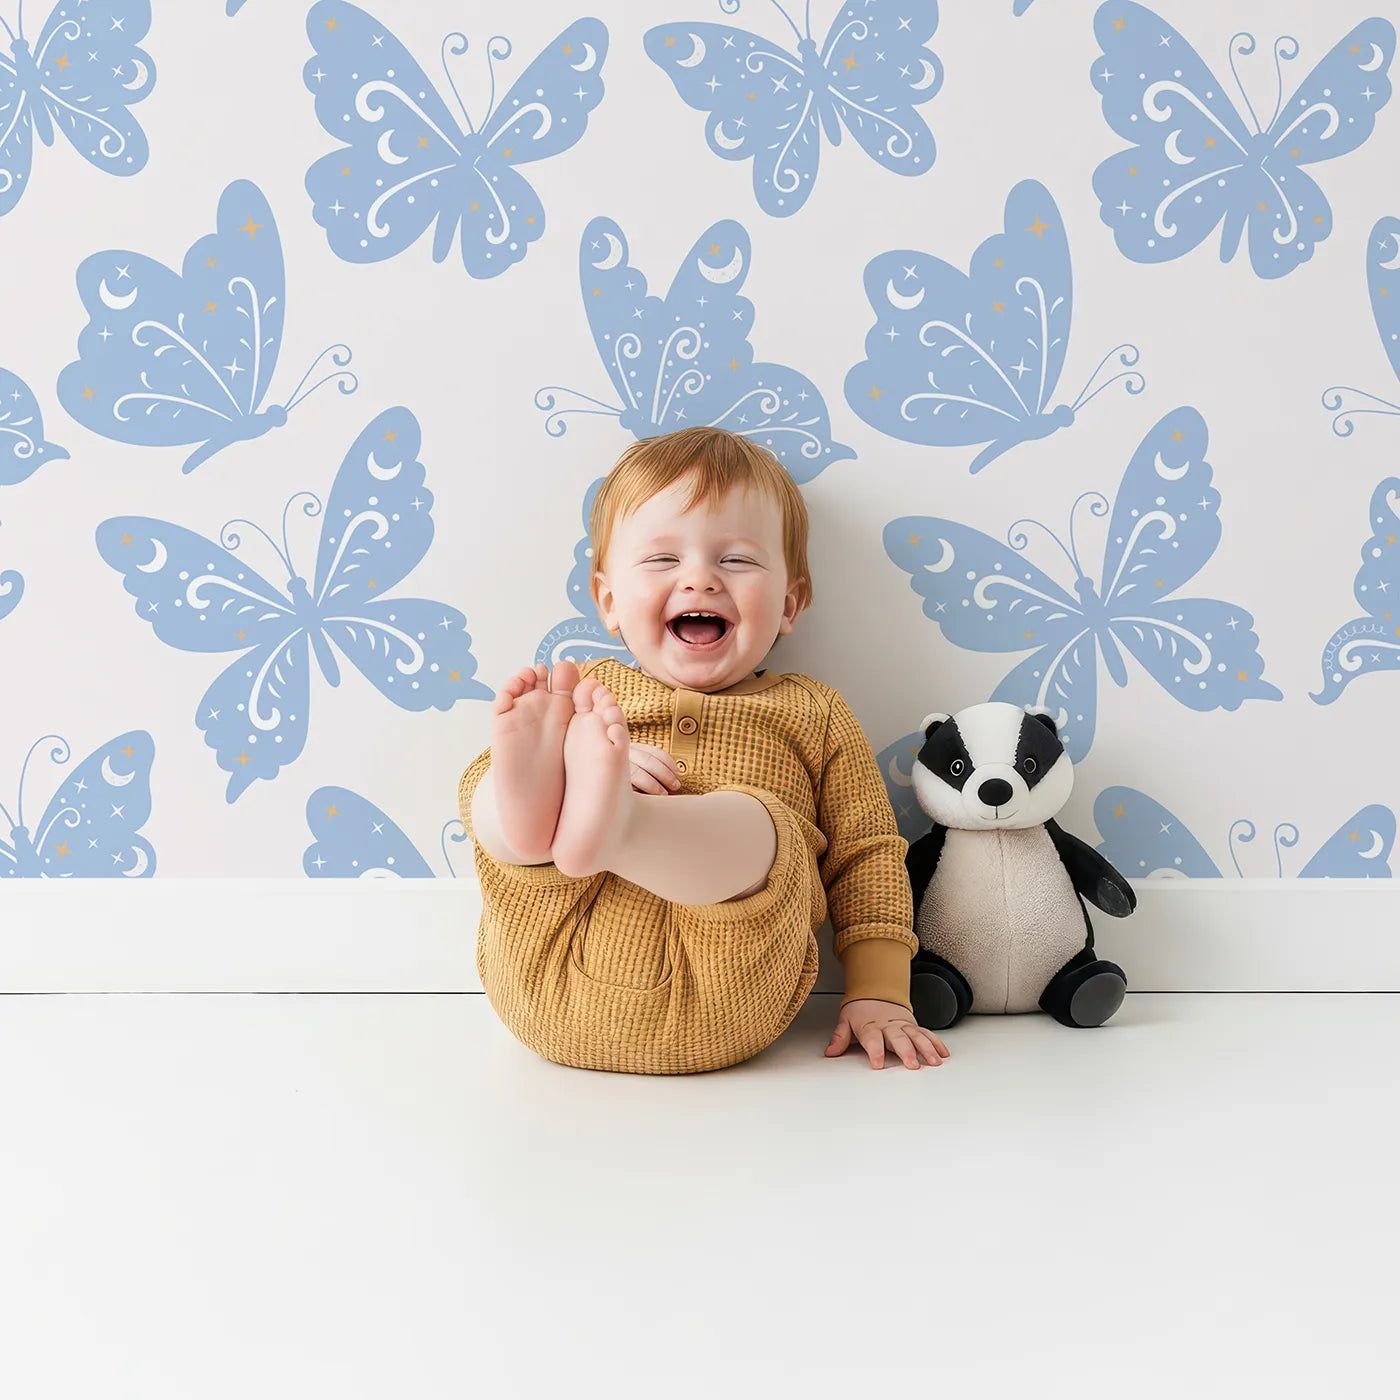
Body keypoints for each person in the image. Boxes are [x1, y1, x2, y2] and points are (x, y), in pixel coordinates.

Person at [457, 426, 950, 1075]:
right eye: (663, 560)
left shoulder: (812, 713)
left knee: (760, 823)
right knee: (493, 790)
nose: (700, 581)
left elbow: (867, 857)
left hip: (727, 991)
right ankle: (544, 813)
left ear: (790, 603)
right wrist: (572, 768)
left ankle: (616, 825)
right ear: (608, 599)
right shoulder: (584, 696)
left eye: (737, 560)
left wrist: (880, 990)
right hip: (548, 966)